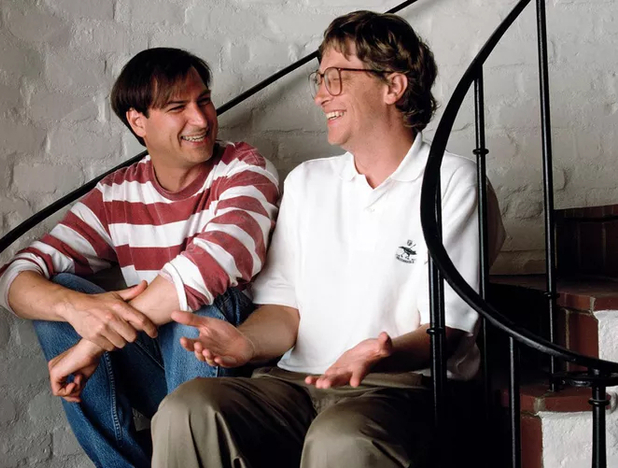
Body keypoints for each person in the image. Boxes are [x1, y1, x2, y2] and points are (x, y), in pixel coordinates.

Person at [150, 11, 505, 468]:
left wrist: (381, 355)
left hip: (400, 389)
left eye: (335, 78)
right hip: (294, 384)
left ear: (393, 86)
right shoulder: (307, 181)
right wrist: (245, 343)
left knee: (340, 438)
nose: (320, 95)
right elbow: (284, 310)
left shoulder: (453, 182)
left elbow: (449, 329)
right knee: (188, 408)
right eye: (320, 80)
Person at [0, 47, 280, 468]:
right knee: (62, 298)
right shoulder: (117, 194)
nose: (201, 119)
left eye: (203, 100)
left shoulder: (244, 167)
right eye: (178, 108)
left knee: (200, 307)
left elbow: (216, 262)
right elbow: (13, 277)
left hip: (239, 383)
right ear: (138, 121)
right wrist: (77, 310)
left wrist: (92, 344)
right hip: (159, 370)